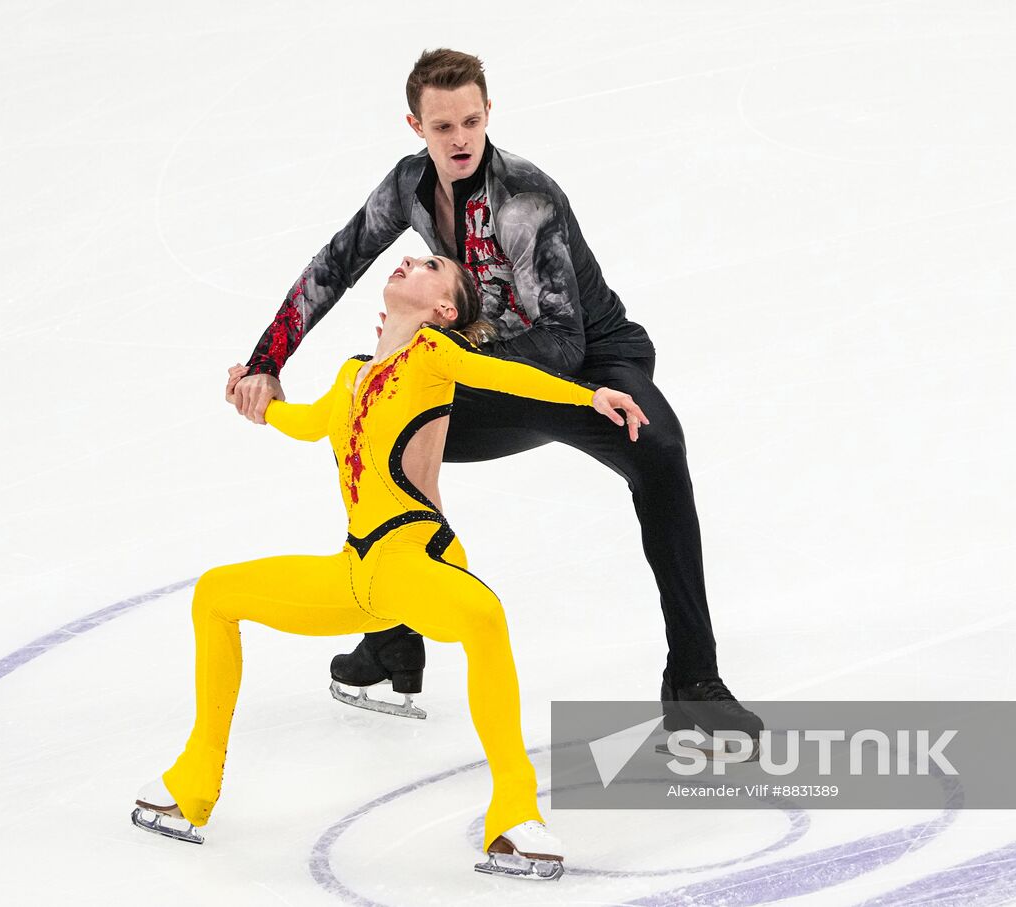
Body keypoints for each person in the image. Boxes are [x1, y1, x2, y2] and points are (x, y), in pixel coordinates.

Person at [227, 49, 763, 740]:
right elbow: (336, 262)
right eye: (443, 124)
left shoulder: (524, 201)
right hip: (484, 362)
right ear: (416, 124)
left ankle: (693, 678)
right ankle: (394, 635)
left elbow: (563, 343)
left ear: (488, 116)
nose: (459, 139)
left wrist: (444, 353)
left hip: (589, 360)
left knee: (659, 448)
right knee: (367, 401)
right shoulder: (408, 187)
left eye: (471, 122)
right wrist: (264, 362)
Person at [134, 253, 648, 880]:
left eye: (430, 265)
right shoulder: (352, 373)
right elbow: (305, 422)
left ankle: (513, 812)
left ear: (445, 309)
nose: (408, 259)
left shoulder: (434, 354)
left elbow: (503, 376)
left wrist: (589, 395)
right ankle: (192, 784)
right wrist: (258, 401)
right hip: (356, 572)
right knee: (215, 593)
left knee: (483, 617)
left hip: (411, 559)